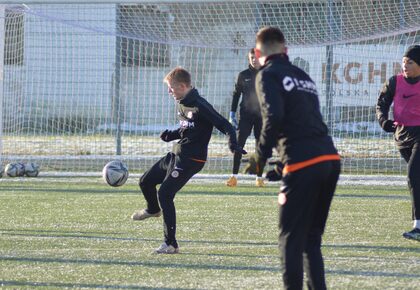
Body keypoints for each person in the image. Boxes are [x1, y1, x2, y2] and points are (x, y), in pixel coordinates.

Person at [254, 27, 341, 289]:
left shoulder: (267, 75)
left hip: (304, 162)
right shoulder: (303, 76)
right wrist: (281, 166)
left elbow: (275, 117)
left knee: (290, 239)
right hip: (329, 158)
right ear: (286, 50)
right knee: (311, 239)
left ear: (258, 53)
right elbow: (305, 121)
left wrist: (259, 157)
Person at [131, 67, 246, 254]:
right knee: (145, 181)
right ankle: (153, 210)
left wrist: (232, 145)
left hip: (192, 159)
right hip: (177, 154)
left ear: (183, 86)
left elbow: (225, 124)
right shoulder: (181, 101)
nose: (169, 92)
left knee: (165, 194)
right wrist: (172, 134)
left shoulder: (200, 105)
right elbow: (189, 128)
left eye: (171, 88)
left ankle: (170, 244)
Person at [376, 45, 420, 241]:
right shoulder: (394, 82)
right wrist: (384, 121)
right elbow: (381, 104)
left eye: (410, 62)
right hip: (402, 137)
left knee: (413, 176)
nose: (405, 66)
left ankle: (418, 227)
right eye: (403, 62)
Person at [226, 48, 266, 187]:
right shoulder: (243, 75)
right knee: (239, 144)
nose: (254, 59)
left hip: (262, 116)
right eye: (252, 57)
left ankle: (259, 178)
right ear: (249, 58)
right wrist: (232, 113)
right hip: (245, 116)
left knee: (260, 146)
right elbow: (236, 94)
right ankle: (234, 177)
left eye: (257, 57)